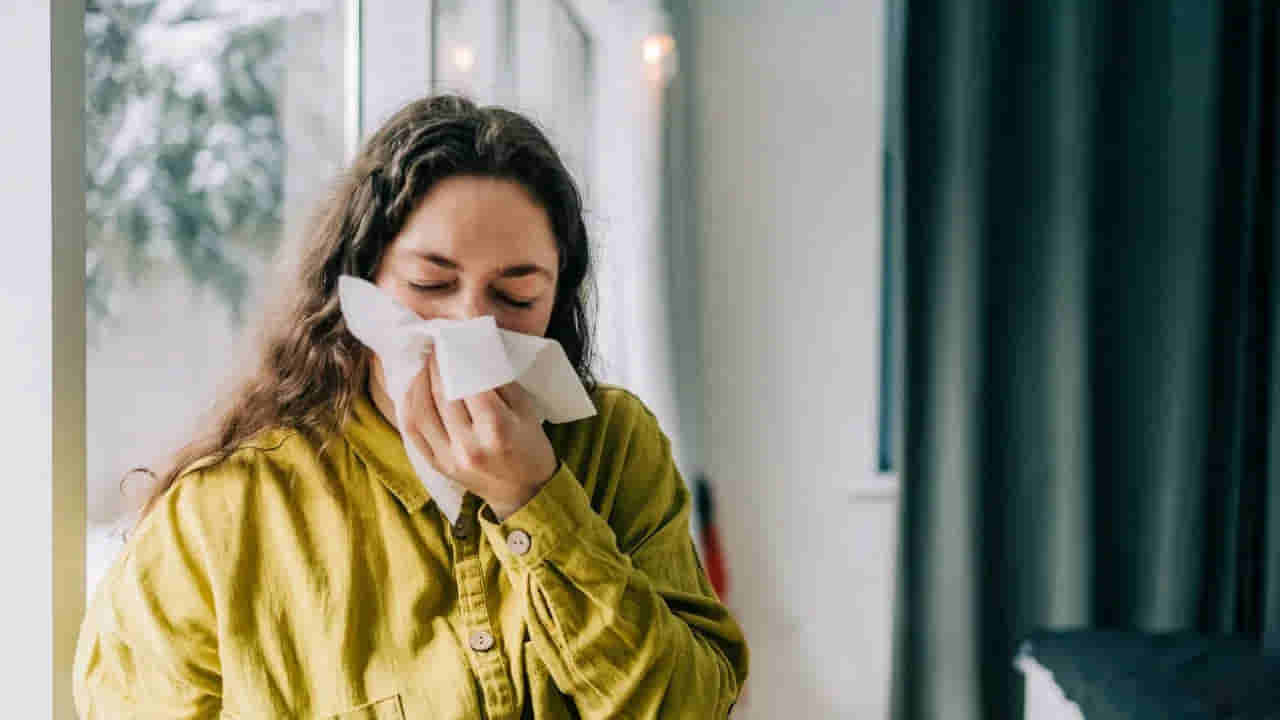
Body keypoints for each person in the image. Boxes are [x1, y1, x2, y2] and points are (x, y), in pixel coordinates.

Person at [72, 94, 749, 719]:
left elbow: (690, 706)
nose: (471, 325)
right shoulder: (223, 514)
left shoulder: (615, 445)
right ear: (360, 284)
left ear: (555, 301)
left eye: (515, 297)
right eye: (430, 283)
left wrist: (534, 500)